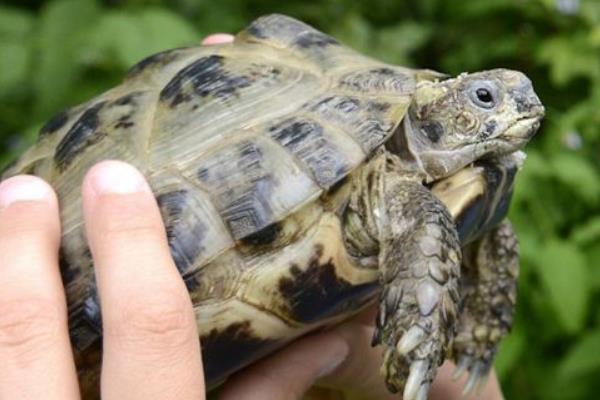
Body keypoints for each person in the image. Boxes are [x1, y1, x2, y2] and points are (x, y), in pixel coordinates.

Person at [0, 34, 505, 400]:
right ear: (434, 112)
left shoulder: (416, 196)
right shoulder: (408, 205)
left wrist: (468, 342)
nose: (510, 107)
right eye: (484, 98)